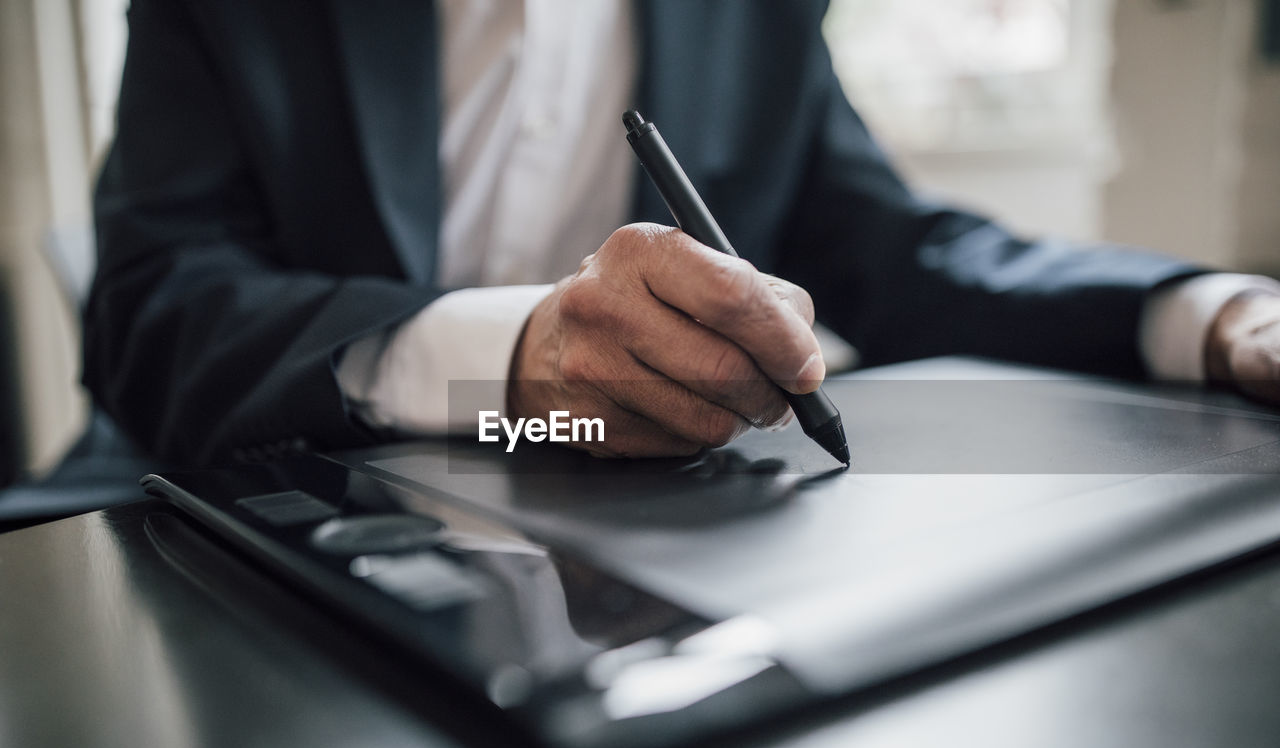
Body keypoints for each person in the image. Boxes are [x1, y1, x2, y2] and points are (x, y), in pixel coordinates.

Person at [83, 0, 1280, 466]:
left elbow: (892, 246)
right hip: (248, 507)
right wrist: (511, 358)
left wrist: (1206, 311)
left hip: (621, 532)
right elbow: (149, 304)